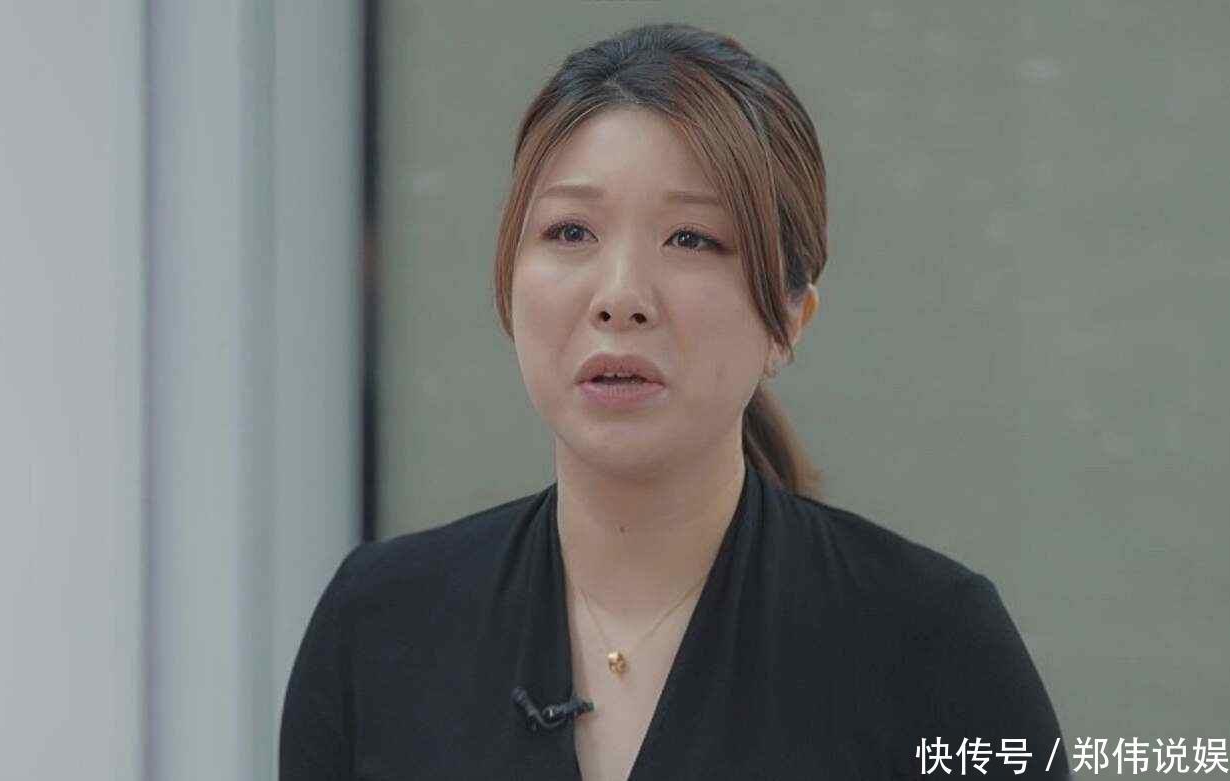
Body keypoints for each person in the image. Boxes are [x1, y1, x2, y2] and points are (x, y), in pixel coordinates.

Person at [280, 22, 1070, 780]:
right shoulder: (379, 623)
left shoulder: (932, 640)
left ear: (791, 317)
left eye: (691, 238)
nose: (620, 297)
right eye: (570, 232)